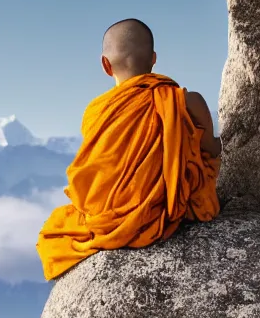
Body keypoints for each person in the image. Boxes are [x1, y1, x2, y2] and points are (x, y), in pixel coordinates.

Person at [36, 18, 221, 281]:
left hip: (105, 218)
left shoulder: (96, 112)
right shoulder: (186, 101)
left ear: (105, 65)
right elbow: (211, 153)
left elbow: (99, 175)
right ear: (154, 58)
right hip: (167, 212)